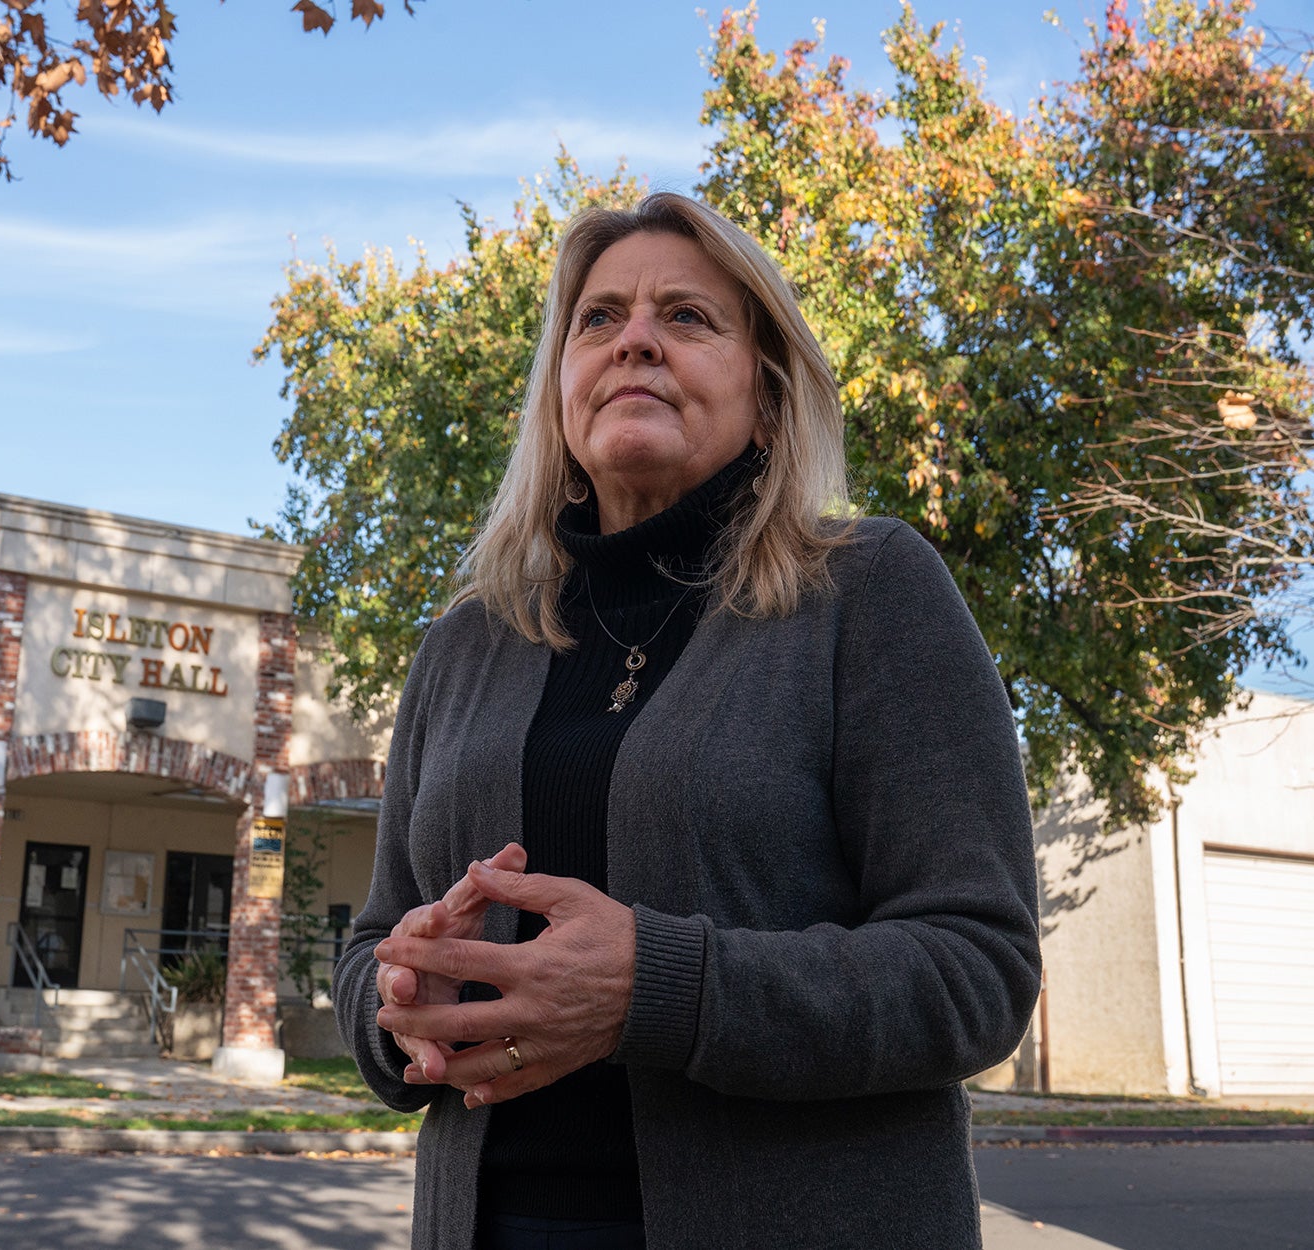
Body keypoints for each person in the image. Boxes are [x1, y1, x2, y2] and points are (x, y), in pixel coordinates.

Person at [332, 191, 1041, 1250]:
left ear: (764, 394)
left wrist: (656, 989)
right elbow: (365, 942)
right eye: (598, 318)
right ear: (560, 392)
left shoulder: (871, 591)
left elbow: (974, 969)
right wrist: (402, 1002)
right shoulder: (463, 643)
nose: (635, 342)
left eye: (687, 317)